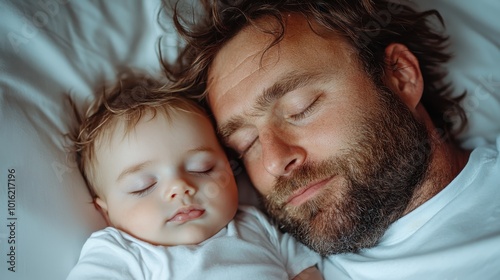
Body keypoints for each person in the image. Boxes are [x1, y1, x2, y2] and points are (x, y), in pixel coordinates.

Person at [163, 0, 500, 279]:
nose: (274, 161)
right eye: (245, 145)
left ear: (400, 75)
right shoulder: (269, 262)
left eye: (300, 108)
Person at [66, 74, 322, 279]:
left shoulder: (255, 224)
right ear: (106, 212)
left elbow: (304, 268)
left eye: (202, 169)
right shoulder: (122, 253)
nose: (180, 187)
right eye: (144, 186)